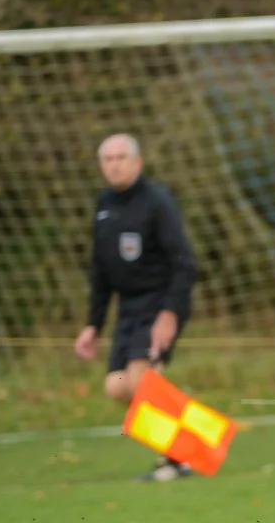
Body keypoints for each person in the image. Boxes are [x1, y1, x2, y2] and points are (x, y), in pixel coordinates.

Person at [73, 133, 199, 482]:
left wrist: (170, 313)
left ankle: (178, 459)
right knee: (117, 386)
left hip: (161, 301)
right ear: (101, 166)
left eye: (121, 157)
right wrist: (93, 324)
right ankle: (192, 431)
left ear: (137, 162)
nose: (114, 164)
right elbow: (100, 270)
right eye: (108, 159)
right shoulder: (104, 204)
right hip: (129, 308)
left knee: (142, 380)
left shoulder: (157, 202)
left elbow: (186, 262)